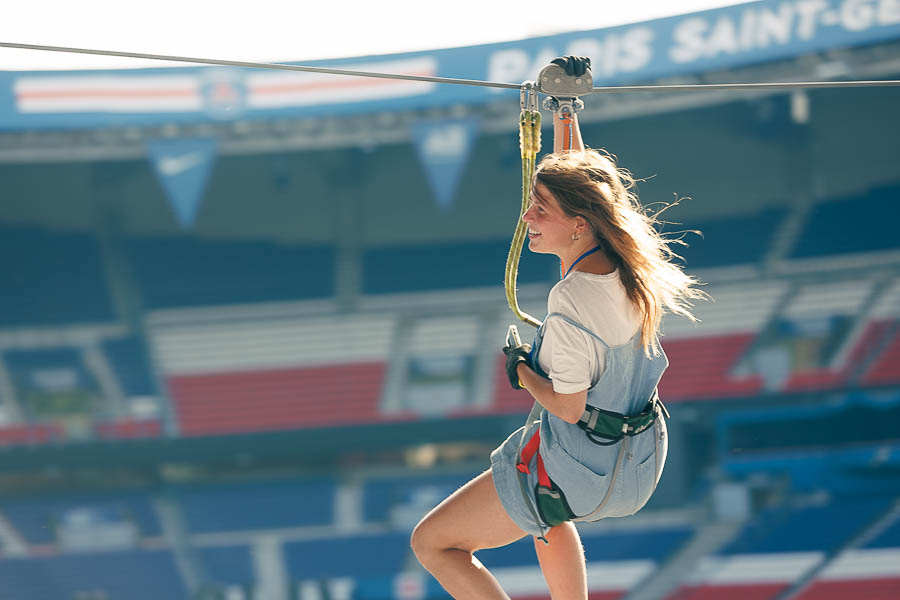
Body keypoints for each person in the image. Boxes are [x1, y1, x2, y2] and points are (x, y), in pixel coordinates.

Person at [410, 56, 706, 600]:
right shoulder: (618, 263)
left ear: (576, 225)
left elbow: (567, 409)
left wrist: (522, 372)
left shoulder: (571, 301)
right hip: (635, 463)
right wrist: (565, 110)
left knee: (432, 543)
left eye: (538, 209)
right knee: (536, 480)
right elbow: (584, 188)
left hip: (585, 469)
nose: (527, 218)